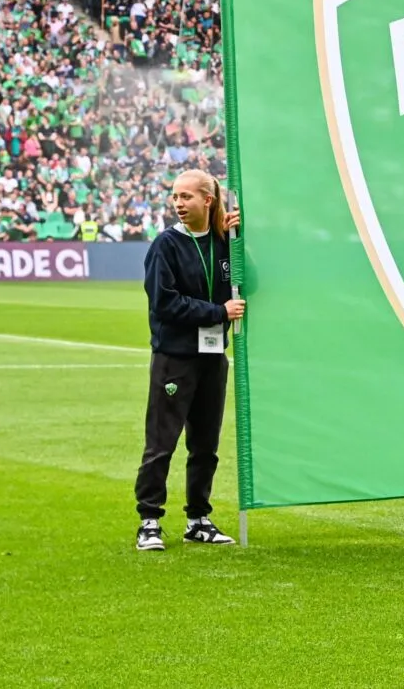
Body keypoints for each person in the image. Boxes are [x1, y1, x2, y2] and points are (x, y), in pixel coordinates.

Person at [134, 169, 245, 551]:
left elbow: (249, 281)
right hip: (175, 358)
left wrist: (241, 237)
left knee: (205, 446)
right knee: (161, 443)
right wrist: (217, 312)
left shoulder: (224, 242)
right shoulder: (165, 245)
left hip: (213, 357)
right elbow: (163, 302)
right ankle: (149, 521)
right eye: (175, 196)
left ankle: (198, 519)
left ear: (207, 200)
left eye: (186, 196)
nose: (178, 203)